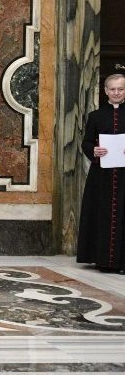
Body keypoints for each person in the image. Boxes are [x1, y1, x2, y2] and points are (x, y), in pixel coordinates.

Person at [77, 73, 125, 274]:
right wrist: (93, 150)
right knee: (101, 214)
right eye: (112, 89)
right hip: (102, 176)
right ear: (105, 91)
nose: (116, 92)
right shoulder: (95, 116)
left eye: (120, 89)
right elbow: (86, 142)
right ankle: (102, 260)